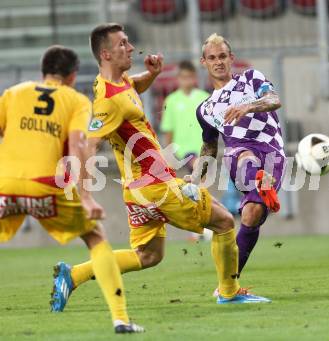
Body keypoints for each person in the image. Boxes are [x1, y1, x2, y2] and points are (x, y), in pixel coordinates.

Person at [53, 23, 270, 309]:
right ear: (106, 54)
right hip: (157, 186)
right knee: (225, 222)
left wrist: (152, 75)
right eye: (123, 44)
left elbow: (132, 90)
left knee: (149, 256)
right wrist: (84, 195)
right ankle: (229, 292)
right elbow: (89, 146)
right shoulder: (108, 101)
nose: (130, 48)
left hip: (137, 191)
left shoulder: (116, 82)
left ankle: (74, 274)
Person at [0, 45, 143, 334]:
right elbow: (79, 146)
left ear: (43, 71)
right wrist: (87, 197)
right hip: (46, 187)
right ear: (73, 75)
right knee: (95, 238)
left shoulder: (13, 93)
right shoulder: (76, 100)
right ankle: (120, 319)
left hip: (7, 184)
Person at [191, 33, 285, 292]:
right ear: (204, 62)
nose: (218, 62)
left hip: (272, 151)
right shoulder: (206, 109)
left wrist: (248, 107)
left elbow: (274, 100)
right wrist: (198, 178)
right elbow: (210, 145)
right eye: (212, 58)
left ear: (231, 58)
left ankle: (227, 284)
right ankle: (258, 177)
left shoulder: (252, 79)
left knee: (251, 214)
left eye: (222, 56)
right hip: (240, 153)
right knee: (241, 154)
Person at [160, 60, 209, 172]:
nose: (186, 80)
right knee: (197, 172)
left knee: (198, 183)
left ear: (195, 77)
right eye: (183, 77)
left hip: (204, 148)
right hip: (183, 150)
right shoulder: (171, 100)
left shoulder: (205, 98)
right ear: (178, 78)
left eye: (189, 77)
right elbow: (168, 129)